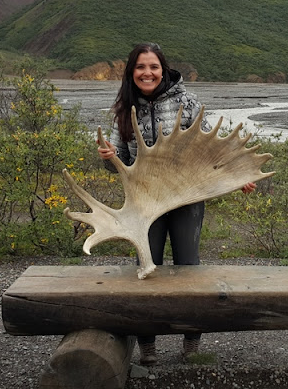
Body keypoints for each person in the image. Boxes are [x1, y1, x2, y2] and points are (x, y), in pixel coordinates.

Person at [98, 42, 256, 366]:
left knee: (189, 267)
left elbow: (209, 142)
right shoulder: (124, 108)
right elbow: (120, 160)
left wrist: (234, 175)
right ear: (132, 72)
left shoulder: (185, 99)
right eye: (141, 67)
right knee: (146, 268)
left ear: (163, 69)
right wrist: (109, 158)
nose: (147, 72)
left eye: (153, 66)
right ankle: (148, 345)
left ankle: (192, 342)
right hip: (144, 202)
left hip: (186, 197)